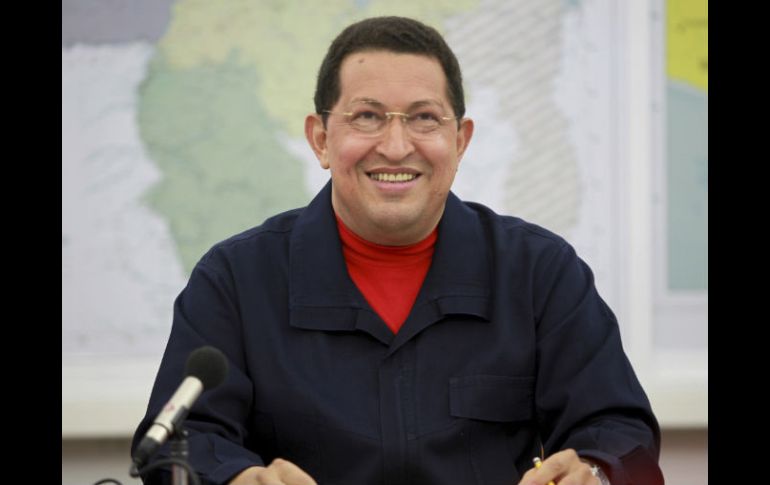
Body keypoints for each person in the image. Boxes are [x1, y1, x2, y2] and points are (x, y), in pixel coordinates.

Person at [132, 16, 664, 485]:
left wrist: (596, 471)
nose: (395, 146)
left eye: (424, 117)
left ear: (461, 141)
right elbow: (180, 442)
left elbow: (619, 430)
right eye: (367, 116)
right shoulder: (235, 280)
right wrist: (237, 479)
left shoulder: (539, 273)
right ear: (320, 139)